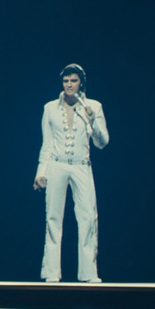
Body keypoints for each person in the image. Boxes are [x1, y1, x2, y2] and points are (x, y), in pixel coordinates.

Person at [34, 64, 109, 283]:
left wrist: (92, 119)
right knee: (53, 218)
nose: (69, 85)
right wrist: (41, 173)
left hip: (81, 165)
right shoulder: (50, 108)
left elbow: (102, 143)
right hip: (57, 164)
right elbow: (46, 144)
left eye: (73, 81)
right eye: (66, 81)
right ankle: (51, 273)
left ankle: (88, 273)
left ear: (81, 83)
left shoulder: (94, 106)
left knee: (87, 218)